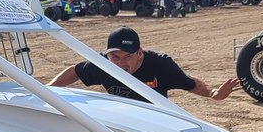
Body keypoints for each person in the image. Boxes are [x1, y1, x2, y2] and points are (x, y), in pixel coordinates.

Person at [48, 26, 239, 102]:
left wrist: (214, 94)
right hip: (122, 120)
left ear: (140, 53)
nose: (120, 63)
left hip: (155, 121)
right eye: (115, 57)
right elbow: (74, 72)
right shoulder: (104, 64)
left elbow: (191, 83)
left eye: (127, 57)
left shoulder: (160, 65)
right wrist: (44, 91)